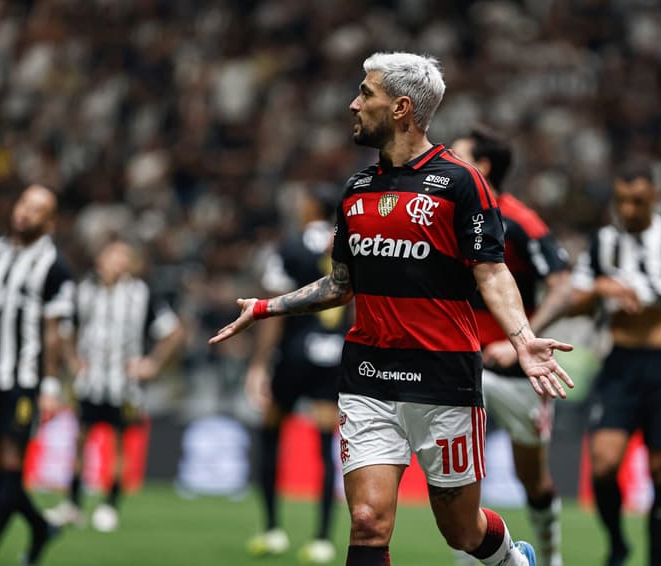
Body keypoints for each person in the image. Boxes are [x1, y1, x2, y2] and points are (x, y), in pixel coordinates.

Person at [210, 52, 576, 566]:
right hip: (368, 375)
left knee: (460, 529)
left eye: (366, 93)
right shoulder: (356, 188)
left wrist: (521, 338)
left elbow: (491, 272)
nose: (353, 103)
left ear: (401, 107)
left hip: (444, 376)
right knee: (367, 521)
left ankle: (512, 559)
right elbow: (341, 285)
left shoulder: (460, 183)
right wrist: (269, 308)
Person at [538, 159, 661, 566]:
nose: (627, 210)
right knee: (602, 464)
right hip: (620, 364)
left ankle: (656, 562)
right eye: (621, 202)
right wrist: (599, 288)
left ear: (655, 198)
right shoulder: (602, 245)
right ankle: (617, 543)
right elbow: (572, 303)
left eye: (637, 201)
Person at [451, 129, 572, 566]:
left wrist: (519, 336)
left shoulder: (519, 219)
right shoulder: (449, 213)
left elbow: (564, 287)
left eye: (457, 155)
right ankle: (475, 556)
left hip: (516, 368)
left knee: (533, 479)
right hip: (463, 361)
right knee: (460, 471)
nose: (444, 159)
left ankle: (552, 554)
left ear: (482, 166)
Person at [44, 240, 183, 532]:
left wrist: (152, 363)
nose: (117, 263)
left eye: (123, 257)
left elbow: (172, 331)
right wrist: (71, 359)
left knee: (119, 445)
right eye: (112, 256)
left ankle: (110, 504)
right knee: (80, 441)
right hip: (90, 382)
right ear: (100, 260)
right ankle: (72, 503)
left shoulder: (141, 294)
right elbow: (66, 328)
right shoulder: (84, 291)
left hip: (124, 385)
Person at [244, 185, 349, 563]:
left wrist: (259, 363)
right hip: (334, 356)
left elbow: (274, 308)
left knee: (271, 434)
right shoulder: (348, 242)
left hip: (293, 357)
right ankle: (322, 539)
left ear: (310, 208)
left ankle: (272, 530)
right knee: (326, 450)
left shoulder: (288, 247)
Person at [0, 185, 75, 566]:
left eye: (38, 209)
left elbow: (54, 333)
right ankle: (40, 527)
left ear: (50, 222)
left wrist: (51, 385)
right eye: (24, 203)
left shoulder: (54, 269)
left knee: (11, 464)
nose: (26, 212)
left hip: (23, 381)